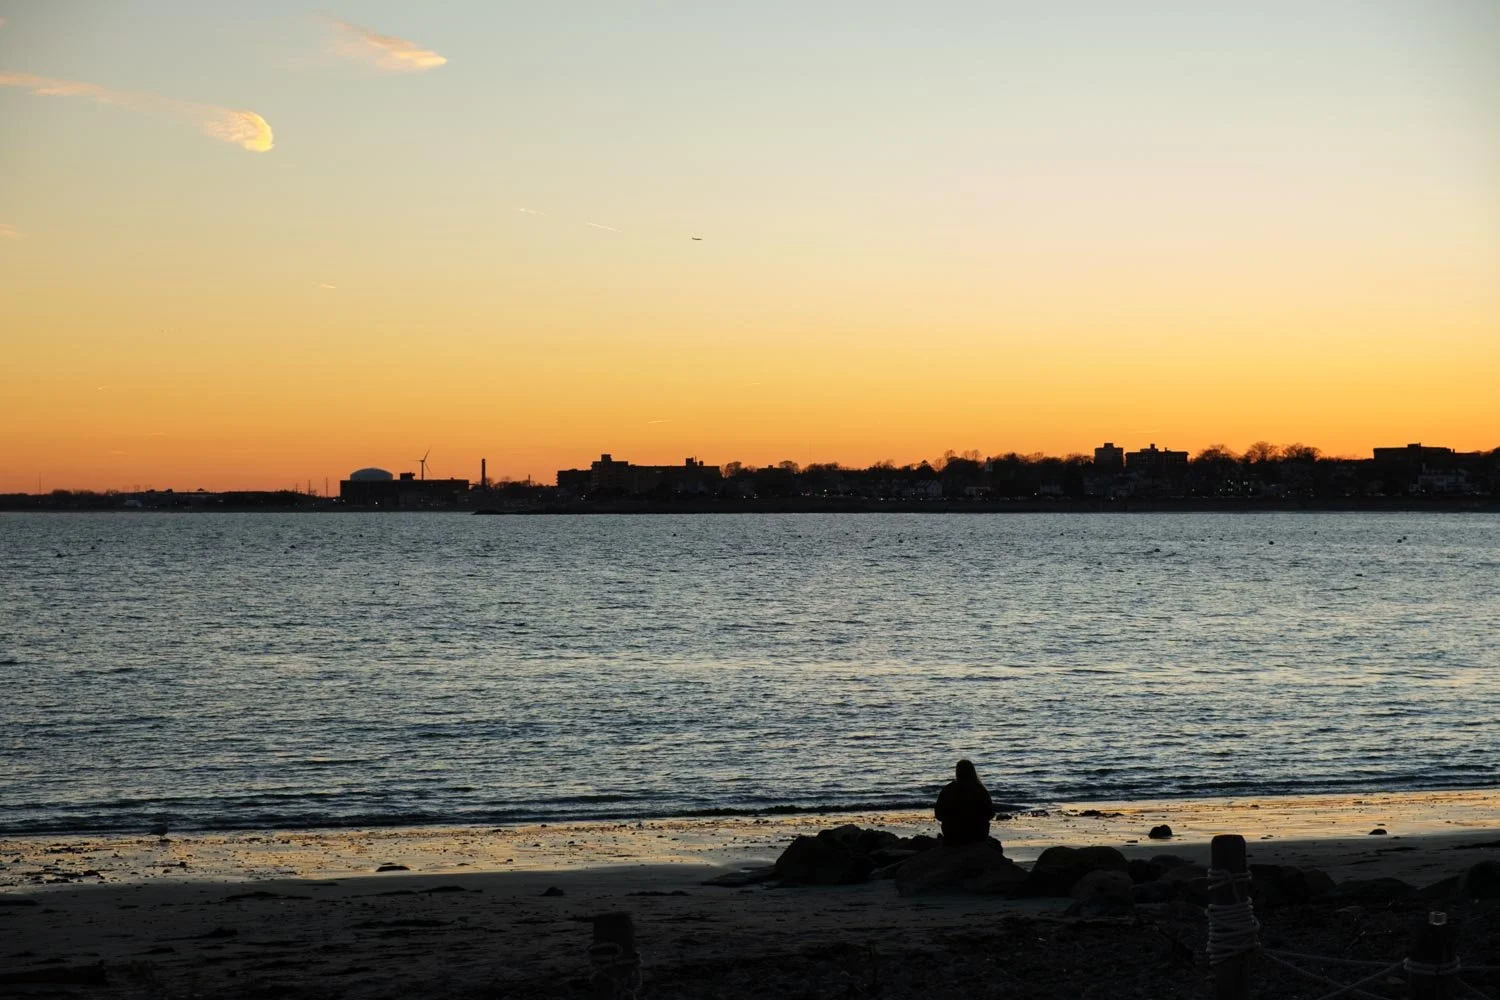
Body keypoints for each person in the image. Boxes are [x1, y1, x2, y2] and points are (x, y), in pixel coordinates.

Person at [934, 758, 996, 846]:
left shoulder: (948, 789)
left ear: (957, 772)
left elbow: (938, 814)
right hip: (977, 835)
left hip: (952, 835)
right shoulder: (979, 789)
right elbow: (991, 813)